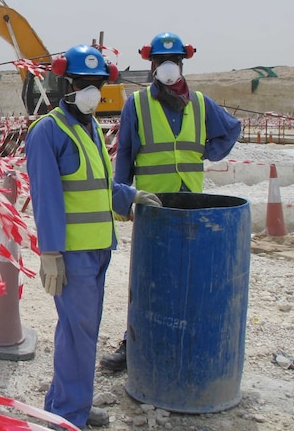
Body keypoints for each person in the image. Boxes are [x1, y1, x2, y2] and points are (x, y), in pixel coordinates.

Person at [25, 44, 161, 428]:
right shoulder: (48, 131)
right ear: (64, 84)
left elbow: (100, 185)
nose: (91, 91)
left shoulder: (89, 129)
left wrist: (131, 196)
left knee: (82, 333)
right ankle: (68, 414)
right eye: (83, 84)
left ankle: (69, 406)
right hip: (72, 254)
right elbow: (47, 200)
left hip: (100, 248)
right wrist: (50, 252)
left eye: (97, 84)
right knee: (78, 333)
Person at [99, 31, 243, 372]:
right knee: (147, 277)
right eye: (161, 62)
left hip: (191, 202)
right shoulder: (137, 104)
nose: (168, 67)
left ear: (182, 64)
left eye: (173, 61)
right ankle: (133, 342)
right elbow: (125, 156)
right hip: (153, 204)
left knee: (190, 275)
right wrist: (123, 200)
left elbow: (231, 129)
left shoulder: (201, 103)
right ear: (152, 65)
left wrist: (206, 152)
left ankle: (184, 340)